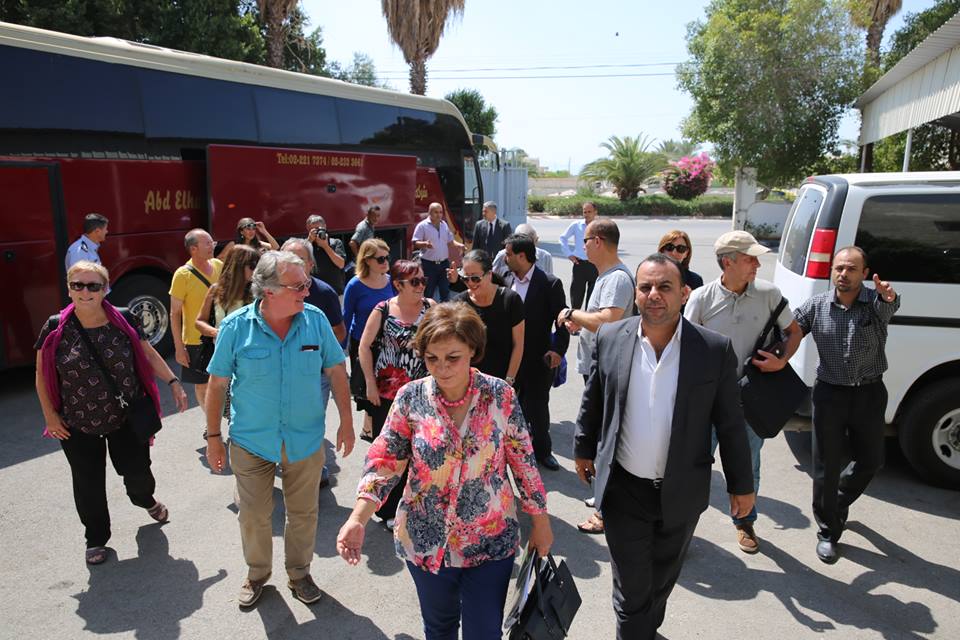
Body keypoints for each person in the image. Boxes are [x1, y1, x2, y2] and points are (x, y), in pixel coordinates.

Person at [336, 302, 553, 640]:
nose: (442, 368)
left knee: (484, 633)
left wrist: (541, 522)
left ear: (473, 350)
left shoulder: (500, 395)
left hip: (490, 541)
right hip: (425, 540)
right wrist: (357, 518)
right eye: (432, 358)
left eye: (453, 357)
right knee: (439, 629)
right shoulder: (410, 398)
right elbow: (385, 462)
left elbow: (523, 462)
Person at [574, 253, 755, 640]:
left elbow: (730, 423)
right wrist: (583, 446)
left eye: (665, 287)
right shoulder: (611, 337)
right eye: (646, 287)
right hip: (624, 490)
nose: (654, 294)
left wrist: (742, 485)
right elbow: (595, 398)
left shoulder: (713, 350)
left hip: (681, 492)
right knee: (632, 592)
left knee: (659, 584)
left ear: (684, 293)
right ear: (635, 294)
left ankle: (643, 630)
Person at [204, 251, 354, 608]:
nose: (307, 291)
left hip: (304, 439)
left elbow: (336, 370)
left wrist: (347, 422)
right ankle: (257, 574)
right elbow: (217, 384)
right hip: (251, 441)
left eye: (306, 283)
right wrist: (213, 438)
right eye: (298, 286)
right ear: (269, 290)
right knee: (254, 515)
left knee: (304, 514)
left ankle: (299, 574)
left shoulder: (315, 320)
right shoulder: (235, 327)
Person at [35, 260, 189, 565]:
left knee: (138, 473)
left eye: (93, 285)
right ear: (69, 289)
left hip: (125, 417)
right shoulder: (55, 327)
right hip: (77, 421)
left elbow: (147, 353)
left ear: (105, 289)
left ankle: (145, 499)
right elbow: (41, 374)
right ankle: (95, 538)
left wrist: (173, 382)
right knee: (88, 483)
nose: (85, 292)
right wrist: (50, 416)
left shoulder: (125, 318)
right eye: (78, 285)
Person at [684, 230, 802, 554]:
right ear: (728, 262)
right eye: (751, 259)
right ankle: (683, 528)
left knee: (748, 466)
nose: (757, 266)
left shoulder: (769, 294)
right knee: (693, 466)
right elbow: (685, 346)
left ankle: (745, 521)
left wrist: (782, 360)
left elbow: (793, 332)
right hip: (708, 402)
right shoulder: (701, 298)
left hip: (751, 400)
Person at [793, 246, 900, 564]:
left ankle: (835, 501)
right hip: (829, 394)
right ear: (832, 271)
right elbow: (792, 330)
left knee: (871, 460)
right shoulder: (817, 305)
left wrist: (889, 297)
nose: (843, 273)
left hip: (869, 393)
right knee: (825, 466)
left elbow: (889, 306)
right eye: (839, 267)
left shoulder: (875, 303)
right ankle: (828, 531)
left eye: (852, 268)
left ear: (864, 273)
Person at [558, 218, 635, 534]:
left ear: (599, 241)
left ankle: (606, 510)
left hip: (609, 370)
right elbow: (599, 319)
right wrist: (581, 322)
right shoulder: (606, 277)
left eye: (586, 241)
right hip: (598, 368)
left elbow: (607, 320)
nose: (583, 246)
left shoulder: (617, 279)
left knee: (607, 441)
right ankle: (603, 495)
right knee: (602, 437)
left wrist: (571, 313)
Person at [357, 259, 434, 527]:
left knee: (420, 451)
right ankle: (388, 510)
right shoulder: (383, 309)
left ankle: (413, 505)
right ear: (398, 285)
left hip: (424, 394)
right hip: (387, 394)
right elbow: (364, 347)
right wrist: (370, 383)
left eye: (423, 280)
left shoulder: (431, 308)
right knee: (391, 454)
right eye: (415, 282)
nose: (421, 286)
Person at [502, 233, 569, 470]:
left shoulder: (549, 283)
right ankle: (508, 452)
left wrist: (557, 350)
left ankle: (543, 452)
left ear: (522, 256)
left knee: (538, 407)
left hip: (538, 358)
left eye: (508, 254)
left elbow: (562, 321)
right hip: (509, 358)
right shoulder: (505, 279)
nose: (505, 258)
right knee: (507, 406)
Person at [195, 244, 259, 422]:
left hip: (250, 359)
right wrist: (218, 332)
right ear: (237, 266)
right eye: (252, 265)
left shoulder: (257, 293)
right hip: (223, 358)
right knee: (228, 408)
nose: (256, 270)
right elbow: (199, 321)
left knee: (246, 407)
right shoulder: (216, 290)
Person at [343, 239, 394, 437]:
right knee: (367, 387)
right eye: (380, 259)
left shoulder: (391, 281)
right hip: (363, 344)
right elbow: (346, 317)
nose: (385, 262)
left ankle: (371, 426)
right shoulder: (354, 285)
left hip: (387, 343)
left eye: (387, 257)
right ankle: (371, 427)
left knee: (384, 387)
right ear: (367, 260)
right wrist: (338, 351)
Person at [169, 229, 223, 414]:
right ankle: (211, 423)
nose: (212, 246)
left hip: (221, 335)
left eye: (212, 242)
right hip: (195, 340)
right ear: (193, 249)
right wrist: (179, 348)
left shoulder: (218, 265)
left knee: (225, 381)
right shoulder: (182, 275)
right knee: (201, 385)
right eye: (207, 243)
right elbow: (174, 314)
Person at [452, 249, 524, 382]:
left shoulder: (510, 300)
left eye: (475, 278)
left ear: (489, 274)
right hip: (468, 382)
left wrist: (509, 379)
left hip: (502, 380)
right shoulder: (458, 303)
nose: (470, 283)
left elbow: (518, 344)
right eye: (466, 279)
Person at [412, 202, 465, 301]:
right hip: (428, 264)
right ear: (429, 212)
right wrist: (425, 244)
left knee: (445, 290)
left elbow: (450, 241)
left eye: (441, 212)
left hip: (444, 264)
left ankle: (445, 310)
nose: (439, 215)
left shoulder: (444, 224)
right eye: (436, 212)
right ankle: (428, 310)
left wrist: (459, 245)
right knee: (428, 292)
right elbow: (415, 242)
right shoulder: (422, 226)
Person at [559, 201, 600, 309]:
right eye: (584, 212)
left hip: (595, 265)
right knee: (576, 298)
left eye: (589, 212)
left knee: (593, 300)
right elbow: (563, 238)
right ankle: (574, 318)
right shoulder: (576, 225)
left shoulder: (600, 227)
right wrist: (569, 254)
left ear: (595, 212)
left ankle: (589, 318)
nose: (586, 214)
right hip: (579, 264)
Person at [305, 214, 347, 295]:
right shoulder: (305, 245)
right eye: (314, 230)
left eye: (319, 229)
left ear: (325, 227)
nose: (317, 232)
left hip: (336, 291)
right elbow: (299, 263)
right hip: (314, 292)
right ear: (308, 229)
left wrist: (325, 246)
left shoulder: (335, 242)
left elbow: (341, 264)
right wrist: (309, 241)